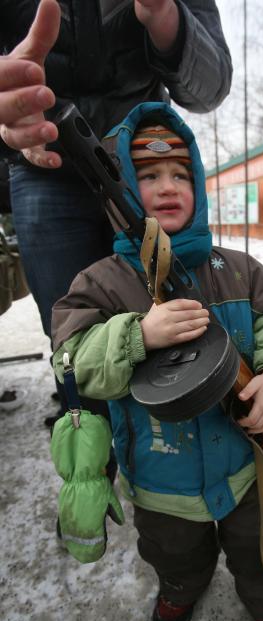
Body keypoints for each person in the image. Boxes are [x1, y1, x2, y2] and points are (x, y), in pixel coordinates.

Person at [50, 101, 263, 621]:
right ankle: (180, 591)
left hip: (250, 470)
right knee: (172, 552)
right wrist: (137, 335)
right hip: (159, 479)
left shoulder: (237, 268)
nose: (168, 186)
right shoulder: (102, 283)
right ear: (123, 188)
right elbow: (74, 360)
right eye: (148, 176)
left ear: (198, 183)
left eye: (181, 173)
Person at [0, 0, 232, 423]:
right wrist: (9, 97)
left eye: (184, 178)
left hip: (138, 170)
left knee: (167, 307)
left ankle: (155, 450)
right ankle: (89, 448)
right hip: (41, 167)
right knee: (69, 329)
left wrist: (165, 16)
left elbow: (211, 87)